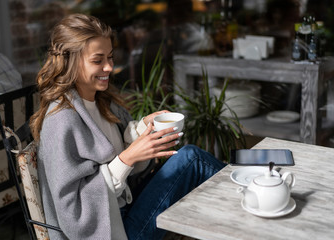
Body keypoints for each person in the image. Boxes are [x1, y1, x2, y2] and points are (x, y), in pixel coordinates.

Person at [30, 13, 226, 240]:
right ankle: (254, 191)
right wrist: (127, 159)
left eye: (111, 57)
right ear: (70, 61)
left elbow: (126, 168)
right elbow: (72, 214)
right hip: (112, 231)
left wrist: (141, 132)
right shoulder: (61, 120)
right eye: (98, 60)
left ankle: (253, 194)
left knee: (191, 159)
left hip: (125, 209)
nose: (109, 67)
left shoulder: (102, 101)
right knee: (192, 159)